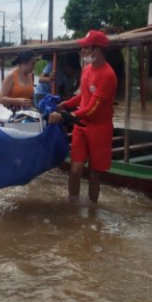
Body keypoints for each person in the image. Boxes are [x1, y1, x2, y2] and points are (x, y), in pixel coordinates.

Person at [48, 30, 117, 203]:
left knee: (94, 174)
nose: (82, 51)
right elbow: (82, 96)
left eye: (86, 48)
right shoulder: (86, 70)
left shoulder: (108, 76)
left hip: (99, 129)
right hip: (81, 126)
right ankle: (74, 208)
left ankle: (93, 211)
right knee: (75, 170)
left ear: (97, 50)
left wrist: (66, 115)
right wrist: (66, 104)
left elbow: (93, 108)